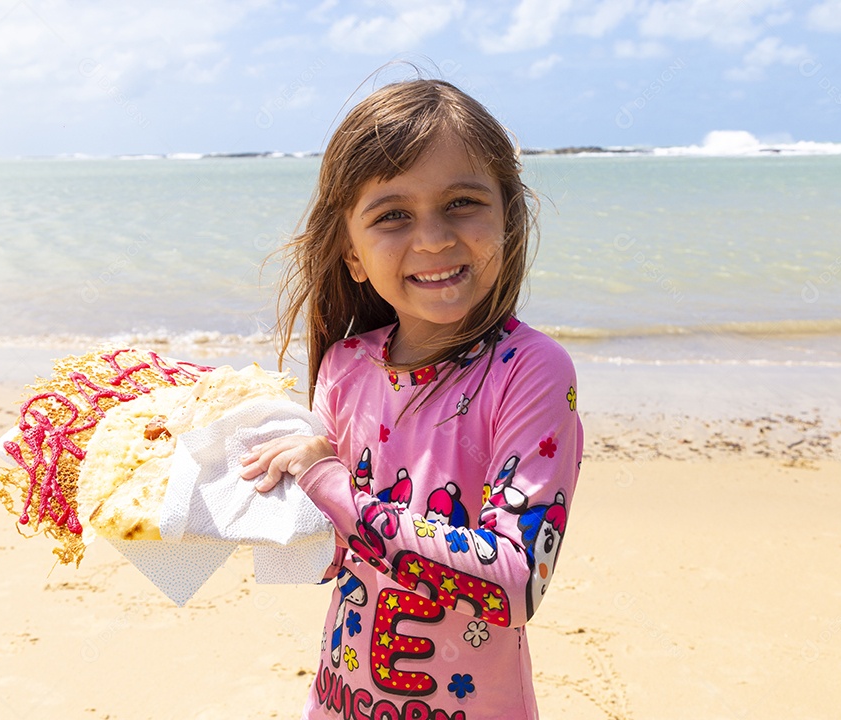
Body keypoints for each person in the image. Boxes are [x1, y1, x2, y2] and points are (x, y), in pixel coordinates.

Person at [239, 77, 583, 720]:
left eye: (461, 202)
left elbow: (514, 582)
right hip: (341, 701)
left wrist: (328, 483)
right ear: (352, 253)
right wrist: (243, 489)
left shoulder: (530, 371)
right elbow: (326, 559)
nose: (432, 239)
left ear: (508, 217)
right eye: (393, 214)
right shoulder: (345, 367)